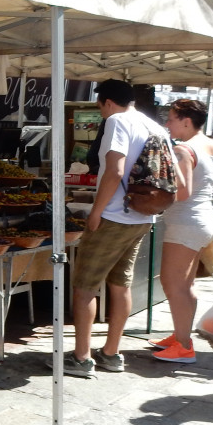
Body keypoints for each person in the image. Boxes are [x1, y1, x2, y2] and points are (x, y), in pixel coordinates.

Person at [65, 79, 175, 378]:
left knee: (85, 285)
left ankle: (81, 357)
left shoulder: (117, 121)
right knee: (120, 284)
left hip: (115, 214)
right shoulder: (154, 125)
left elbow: (113, 169)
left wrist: (96, 213)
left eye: (100, 106)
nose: (101, 112)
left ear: (107, 102)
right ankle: (112, 353)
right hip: (143, 214)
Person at [152, 99, 213, 363]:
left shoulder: (184, 149)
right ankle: (179, 336)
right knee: (184, 284)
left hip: (185, 222)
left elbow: (182, 193)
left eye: (171, 118)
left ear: (186, 121)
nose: (167, 123)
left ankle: (184, 346)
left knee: (173, 284)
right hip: (203, 219)